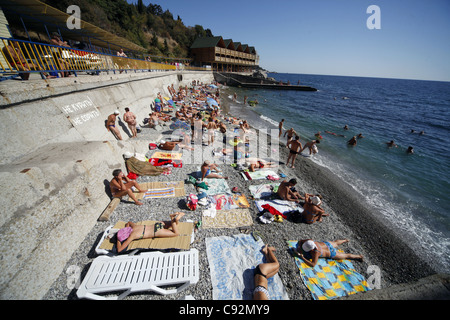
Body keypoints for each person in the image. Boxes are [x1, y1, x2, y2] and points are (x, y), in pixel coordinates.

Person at [116, 212, 185, 253]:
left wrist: (118, 240)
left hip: (156, 231)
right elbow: (129, 223)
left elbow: (119, 249)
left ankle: (173, 218)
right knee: (174, 225)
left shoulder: (132, 236)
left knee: (175, 233)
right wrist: (125, 228)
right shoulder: (134, 226)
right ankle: (173, 218)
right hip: (158, 224)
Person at [292, 239, 363, 268]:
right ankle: (345, 240)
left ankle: (359, 256)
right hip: (326, 245)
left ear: (311, 249)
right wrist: (299, 246)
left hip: (331, 253)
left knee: (346, 255)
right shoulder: (310, 241)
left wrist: (302, 258)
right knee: (335, 242)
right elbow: (300, 241)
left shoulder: (315, 253)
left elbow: (313, 264)